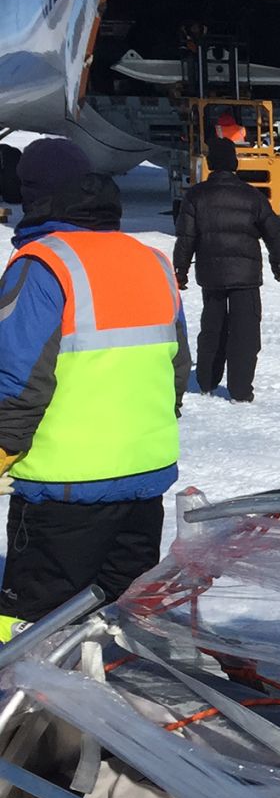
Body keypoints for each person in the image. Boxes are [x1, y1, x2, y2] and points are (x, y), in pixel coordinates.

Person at [0, 138, 189, 641]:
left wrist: (3, 449)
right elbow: (176, 368)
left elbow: (18, 379)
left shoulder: (42, 265)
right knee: (122, 624)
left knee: (33, 632)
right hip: (145, 481)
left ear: (34, 196)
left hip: (65, 492)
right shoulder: (151, 260)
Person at [173, 138, 280, 403]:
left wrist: (181, 269)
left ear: (212, 163)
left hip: (211, 275)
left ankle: (206, 381)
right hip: (246, 276)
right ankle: (240, 390)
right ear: (234, 164)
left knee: (212, 327)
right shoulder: (252, 195)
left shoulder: (196, 195)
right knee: (245, 331)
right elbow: (273, 231)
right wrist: (277, 260)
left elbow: (186, 237)